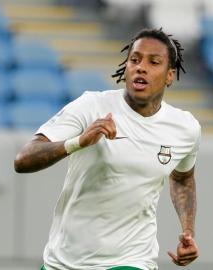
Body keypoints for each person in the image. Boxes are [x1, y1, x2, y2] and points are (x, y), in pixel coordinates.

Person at [14, 28, 201, 270]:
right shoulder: (92, 106)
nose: (140, 67)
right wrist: (79, 142)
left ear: (169, 76)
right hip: (66, 261)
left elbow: (183, 178)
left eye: (153, 62)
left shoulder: (185, 127)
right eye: (134, 59)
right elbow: (23, 160)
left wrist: (187, 231)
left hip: (132, 259)